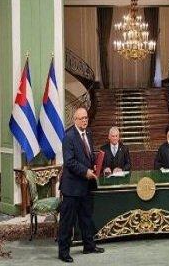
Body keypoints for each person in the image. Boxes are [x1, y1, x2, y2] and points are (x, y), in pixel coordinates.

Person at [57, 107, 104, 263]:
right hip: (71, 187)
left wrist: (94, 164)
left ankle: (89, 246)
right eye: (81, 118)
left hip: (86, 186)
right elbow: (70, 162)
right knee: (67, 221)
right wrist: (86, 172)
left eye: (86, 118)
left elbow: (88, 155)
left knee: (86, 218)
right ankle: (63, 252)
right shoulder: (68, 137)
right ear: (75, 120)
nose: (84, 120)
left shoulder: (88, 133)